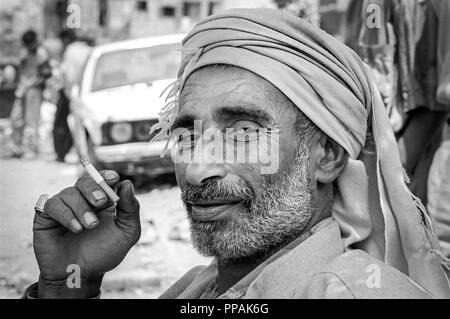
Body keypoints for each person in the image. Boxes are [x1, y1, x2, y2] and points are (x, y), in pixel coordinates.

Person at [24, 9, 450, 299]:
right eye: (187, 134)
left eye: (243, 132)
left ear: (328, 156)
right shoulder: (200, 287)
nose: (196, 169)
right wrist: (67, 285)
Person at [10, 30, 50, 159]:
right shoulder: (24, 52)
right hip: (22, 89)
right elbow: (18, 69)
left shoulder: (41, 54)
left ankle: (31, 150)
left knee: (32, 121)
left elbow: (45, 74)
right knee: (16, 118)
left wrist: (32, 84)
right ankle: (16, 147)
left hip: (34, 89)